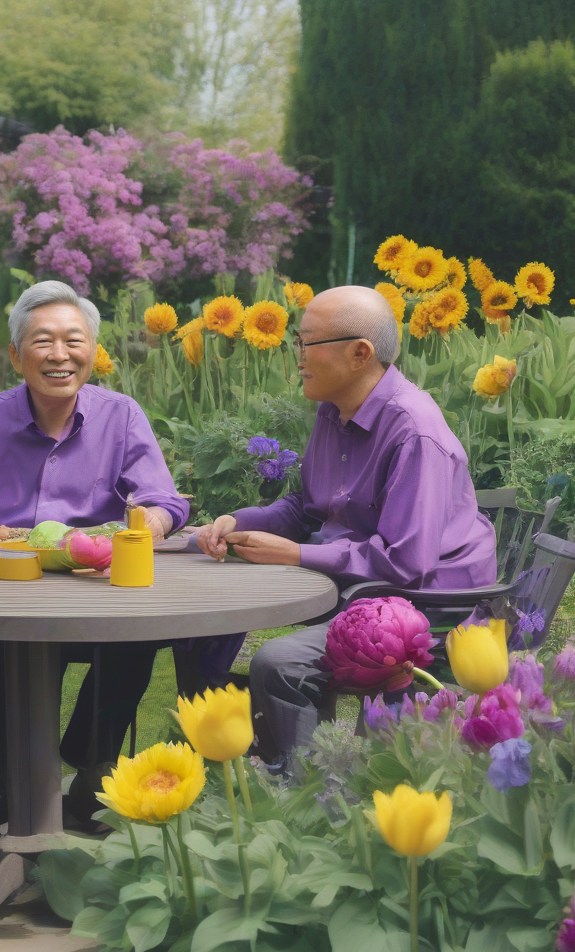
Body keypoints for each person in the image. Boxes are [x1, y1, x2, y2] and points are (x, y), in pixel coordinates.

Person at [0, 280, 190, 831]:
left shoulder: (121, 415)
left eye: (73, 340)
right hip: (9, 590)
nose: (59, 355)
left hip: (96, 589)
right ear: (17, 355)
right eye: (42, 341)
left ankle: (90, 771)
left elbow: (162, 500)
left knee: (134, 641)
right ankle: (16, 791)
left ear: (92, 351)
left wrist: (148, 523)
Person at [197, 285, 497, 757]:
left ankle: (316, 793)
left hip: (432, 608)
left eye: (307, 342)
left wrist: (296, 554)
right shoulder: (333, 410)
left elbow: (406, 564)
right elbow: (309, 506)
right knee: (204, 622)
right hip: (361, 590)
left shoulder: (413, 431)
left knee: (280, 664)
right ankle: (248, 759)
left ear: (360, 354)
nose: (296, 356)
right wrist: (238, 520)